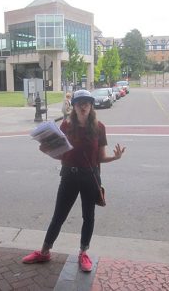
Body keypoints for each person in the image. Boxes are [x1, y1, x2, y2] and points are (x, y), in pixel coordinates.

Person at [22, 89, 125, 272]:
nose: (83, 106)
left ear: (91, 106)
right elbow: (61, 156)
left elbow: (100, 157)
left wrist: (115, 158)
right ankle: (45, 251)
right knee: (59, 216)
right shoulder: (66, 126)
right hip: (69, 175)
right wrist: (47, 150)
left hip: (89, 176)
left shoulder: (99, 127)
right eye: (79, 103)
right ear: (74, 106)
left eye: (87, 103)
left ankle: (83, 252)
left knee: (88, 216)